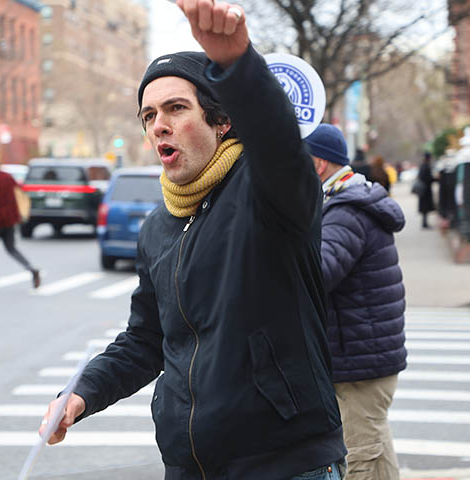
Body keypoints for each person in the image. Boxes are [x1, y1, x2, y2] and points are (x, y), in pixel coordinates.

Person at [40, 2, 347, 479]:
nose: (158, 124)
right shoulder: (157, 227)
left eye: (176, 108)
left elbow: (279, 143)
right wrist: (83, 392)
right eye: (148, 115)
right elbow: (146, 338)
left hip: (284, 464)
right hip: (189, 467)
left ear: (221, 121)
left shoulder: (267, 192)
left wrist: (237, 64)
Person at [306, 124, 406, 480]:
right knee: (376, 453)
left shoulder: (345, 211)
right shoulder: (348, 200)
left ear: (318, 164)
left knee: (359, 458)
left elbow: (319, 273)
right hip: (367, 357)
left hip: (359, 363)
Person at [0, 147, 40, 289]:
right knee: (11, 248)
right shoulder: (7, 177)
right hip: (10, 220)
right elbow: (18, 193)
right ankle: (31, 268)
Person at [417, 151, 435, 228]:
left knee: (425, 208)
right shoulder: (426, 166)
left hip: (424, 190)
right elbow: (427, 178)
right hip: (425, 191)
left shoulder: (423, 165)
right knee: (425, 208)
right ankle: (425, 223)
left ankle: (425, 223)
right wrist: (435, 179)